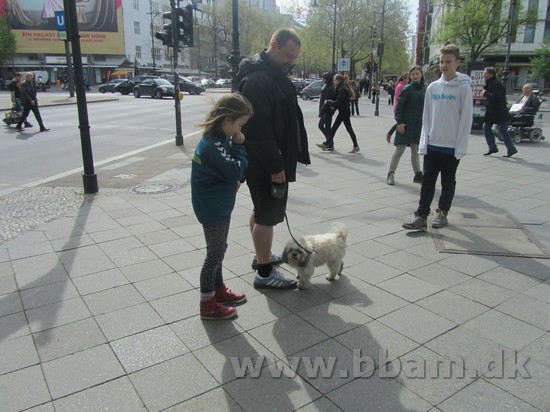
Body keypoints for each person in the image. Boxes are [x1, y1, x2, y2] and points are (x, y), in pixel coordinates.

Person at [237, 28, 311, 290]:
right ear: (274, 45)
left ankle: (262, 257)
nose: (291, 61)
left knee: (261, 211)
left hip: (267, 159)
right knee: (267, 216)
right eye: (288, 55)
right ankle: (265, 273)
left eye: (294, 58)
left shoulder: (271, 74)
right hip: (266, 162)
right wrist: (276, 167)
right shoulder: (259, 79)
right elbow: (257, 132)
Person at [191, 93, 253, 320]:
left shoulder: (216, 140)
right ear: (227, 119)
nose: (239, 130)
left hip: (215, 204)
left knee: (219, 250)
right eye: (239, 124)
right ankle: (207, 303)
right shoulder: (213, 146)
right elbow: (236, 170)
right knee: (214, 255)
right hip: (213, 208)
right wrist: (239, 147)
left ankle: (218, 291)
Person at [402, 44, 473, 230]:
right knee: (427, 182)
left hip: (451, 147)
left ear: (457, 62)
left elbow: (466, 119)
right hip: (433, 145)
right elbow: (427, 118)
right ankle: (421, 216)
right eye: (441, 61)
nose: (444, 65)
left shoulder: (463, 88)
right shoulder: (433, 87)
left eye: (448, 61)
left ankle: (442, 213)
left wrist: (461, 147)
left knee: (448, 181)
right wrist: (424, 143)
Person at [386, 65, 426, 186]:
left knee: (415, 150)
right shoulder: (407, 89)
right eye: (412, 74)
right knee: (400, 150)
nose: (415, 76)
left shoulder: (426, 89)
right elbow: (399, 107)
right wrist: (400, 122)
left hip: (418, 126)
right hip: (406, 125)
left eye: (417, 74)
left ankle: (418, 174)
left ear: (421, 75)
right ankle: (391, 174)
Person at [482, 67, 517, 158]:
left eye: (485, 73)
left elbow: (498, 97)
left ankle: (511, 148)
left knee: (502, 130)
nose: (483, 75)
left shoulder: (496, 83)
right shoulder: (490, 83)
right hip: (492, 111)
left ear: (491, 74)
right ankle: (493, 147)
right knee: (486, 127)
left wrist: (485, 93)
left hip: (498, 111)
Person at [321, 73, 360, 153]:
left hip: (344, 112)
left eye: (334, 80)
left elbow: (338, 102)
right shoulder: (341, 87)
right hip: (344, 111)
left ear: (338, 80)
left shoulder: (341, 89)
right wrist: (334, 105)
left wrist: (328, 102)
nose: (334, 81)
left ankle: (325, 144)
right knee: (338, 129)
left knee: (344, 129)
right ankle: (355, 146)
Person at [386, 72, 409, 142]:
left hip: (404, 108)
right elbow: (397, 97)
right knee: (400, 123)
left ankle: (390, 134)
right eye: (408, 78)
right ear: (404, 78)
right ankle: (390, 134)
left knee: (401, 122)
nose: (409, 80)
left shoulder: (405, 86)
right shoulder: (400, 86)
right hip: (399, 108)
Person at [316, 72, 336, 149]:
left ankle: (330, 143)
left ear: (326, 79)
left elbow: (326, 102)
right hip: (325, 111)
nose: (322, 79)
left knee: (326, 127)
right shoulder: (327, 86)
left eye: (323, 78)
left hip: (327, 111)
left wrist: (321, 113)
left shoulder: (329, 88)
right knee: (321, 126)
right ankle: (329, 142)